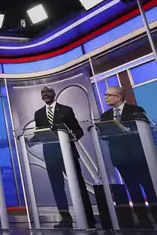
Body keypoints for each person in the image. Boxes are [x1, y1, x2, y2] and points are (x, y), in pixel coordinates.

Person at [33, 86, 95, 229]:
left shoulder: (66, 110)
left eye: (48, 92)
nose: (45, 95)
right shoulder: (39, 114)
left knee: (78, 186)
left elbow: (78, 131)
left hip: (68, 154)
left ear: (54, 94)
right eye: (43, 93)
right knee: (57, 188)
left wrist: (69, 138)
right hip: (50, 156)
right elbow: (39, 133)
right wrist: (32, 140)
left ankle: (88, 218)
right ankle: (65, 219)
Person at [100, 86, 156, 229]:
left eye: (108, 95)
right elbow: (103, 135)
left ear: (118, 97)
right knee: (132, 189)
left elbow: (145, 130)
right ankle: (143, 220)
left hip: (138, 158)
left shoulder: (136, 111)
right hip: (121, 160)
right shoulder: (105, 116)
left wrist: (128, 131)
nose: (105, 97)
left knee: (149, 187)